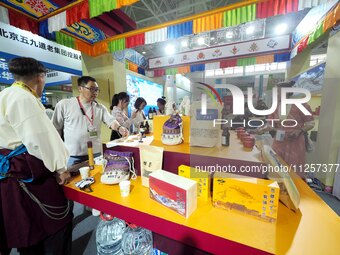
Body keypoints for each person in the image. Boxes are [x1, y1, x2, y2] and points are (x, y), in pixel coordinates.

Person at [0, 57, 72, 255]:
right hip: (27, 174)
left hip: (10, 175)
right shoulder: (24, 98)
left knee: (26, 231)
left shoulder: (5, 94)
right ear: (40, 78)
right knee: (57, 221)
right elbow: (41, 139)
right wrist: (60, 168)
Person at [52, 76, 128, 166]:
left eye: (97, 90)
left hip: (96, 154)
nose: (95, 92)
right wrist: (58, 153)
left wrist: (119, 128)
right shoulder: (64, 105)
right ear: (80, 88)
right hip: (73, 156)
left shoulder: (100, 108)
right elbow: (55, 129)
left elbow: (111, 121)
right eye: (92, 89)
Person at [257, 81, 314, 177]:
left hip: (295, 142)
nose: (276, 95)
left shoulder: (301, 105)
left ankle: (294, 189)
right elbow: (270, 124)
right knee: (276, 165)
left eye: (278, 93)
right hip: (279, 142)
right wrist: (262, 129)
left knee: (294, 169)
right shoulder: (274, 107)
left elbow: (310, 123)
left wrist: (299, 130)